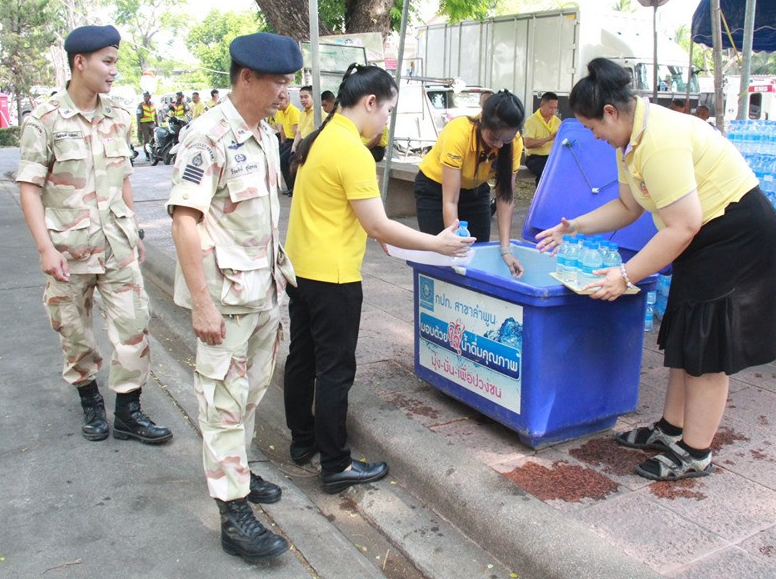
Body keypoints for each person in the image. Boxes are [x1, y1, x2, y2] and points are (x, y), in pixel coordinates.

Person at [536, 58, 776, 481]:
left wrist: (626, 276)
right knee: (686, 335)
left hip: (735, 234)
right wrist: (574, 226)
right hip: (701, 235)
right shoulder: (628, 142)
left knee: (708, 347)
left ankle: (696, 451)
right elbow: (628, 206)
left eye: (592, 126)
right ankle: (671, 430)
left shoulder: (661, 139)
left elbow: (683, 224)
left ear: (611, 112)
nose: (592, 135)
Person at [283, 64, 474, 494]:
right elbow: (379, 226)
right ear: (369, 102)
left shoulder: (322, 139)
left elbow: (352, 216)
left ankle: (302, 442)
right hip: (334, 278)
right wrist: (436, 244)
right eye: (387, 111)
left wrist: (390, 236)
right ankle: (336, 464)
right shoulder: (352, 151)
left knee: (303, 359)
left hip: (301, 270)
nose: (385, 121)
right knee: (335, 370)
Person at [167, 32, 302, 563]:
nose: (286, 93)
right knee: (223, 400)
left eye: (289, 82)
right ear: (247, 77)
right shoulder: (209, 137)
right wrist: (200, 303)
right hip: (224, 298)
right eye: (278, 82)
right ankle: (231, 512)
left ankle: (238, 473)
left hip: (263, 290)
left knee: (249, 392)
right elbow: (184, 220)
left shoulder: (264, 134)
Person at [17, 24, 172, 446]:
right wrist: (45, 248)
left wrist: (135, 227)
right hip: (69, 249)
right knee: (74, 329)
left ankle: (128, 410)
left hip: (117, 244)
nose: (113, 71)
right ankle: (89, 401)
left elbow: (123, 177)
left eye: (116, 62)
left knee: (134, 325)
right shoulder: (45, 120)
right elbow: (29, 187)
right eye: (107, 61)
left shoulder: (119, 115)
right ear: (79, 63)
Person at [413, 90, 527, 278]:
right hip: (435, 190)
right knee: (444, 255)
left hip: (475, 190)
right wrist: (455, 243)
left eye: (505, 140)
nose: (499, 145)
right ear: (482, 120)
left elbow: (505, 198)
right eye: (493, 138)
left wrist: (505, 250)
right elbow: (450, 200)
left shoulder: (514, 141)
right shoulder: (459, 132)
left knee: (476, 254)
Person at [287, 85, 325, 194]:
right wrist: (294, 147)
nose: (303, 100)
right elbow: (299, 132)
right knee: (288, 159)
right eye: (301, 97)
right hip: (302, 144)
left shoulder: (319, 113)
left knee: (294, 162)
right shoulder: (302, 113)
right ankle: (294, 189)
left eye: (306, 97)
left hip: (312, 145)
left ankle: (300, 189)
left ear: (313, 97)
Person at [523, 91, 561, 185]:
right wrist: (549, 138)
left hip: (552, 156)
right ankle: (541, 198)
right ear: (542, 105)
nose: (553, 111)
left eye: (555, 108)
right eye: (550, 108)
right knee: (546, 172)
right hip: (535, 157)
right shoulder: (531, 121)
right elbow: (527, 144)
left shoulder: (558, 121)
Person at [271, 94, 300, 191]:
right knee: (277, 157)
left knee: (286, 160)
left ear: (287, 101)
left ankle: (293, 187)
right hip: (288, 140)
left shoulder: (294, 111)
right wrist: (282, 144)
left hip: (296, 140)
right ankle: (289, 187)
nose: (278, 104)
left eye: (280, 101)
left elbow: (297, 133)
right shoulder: (279, 112)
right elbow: (281, 130)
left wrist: (294, 147)